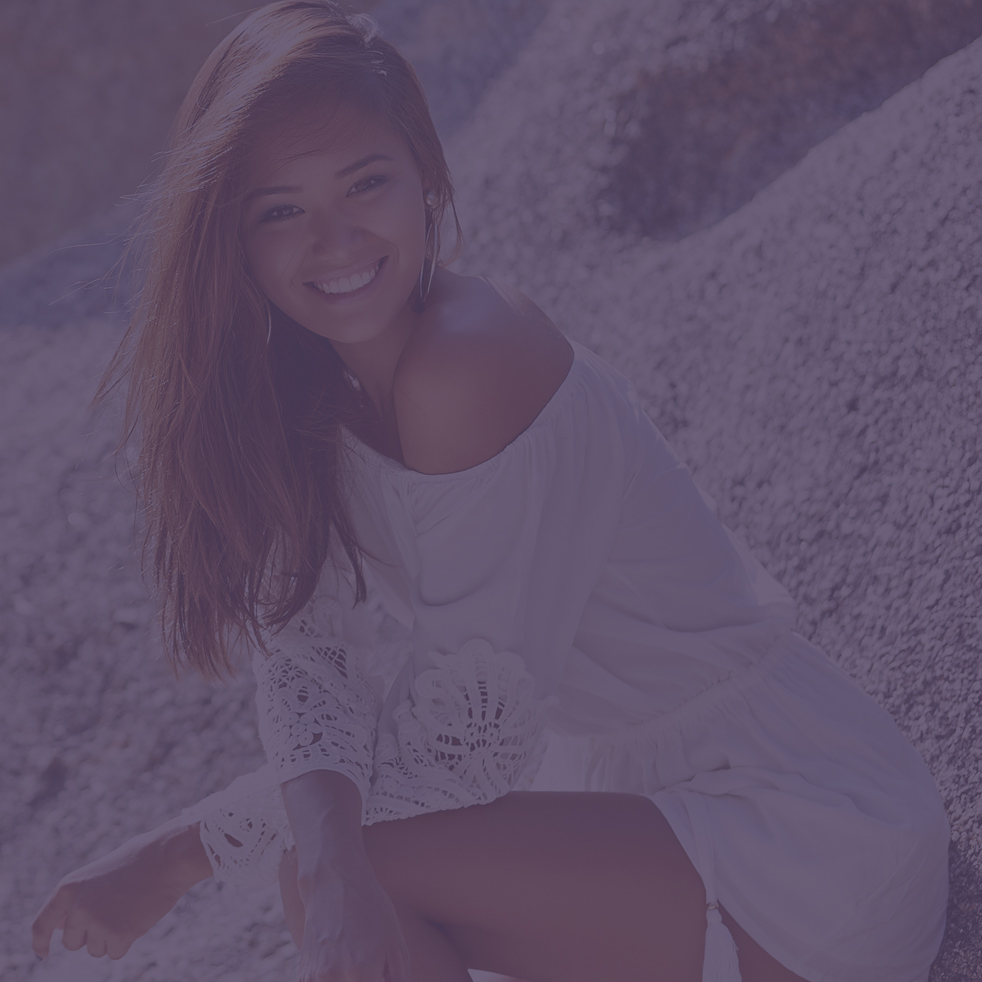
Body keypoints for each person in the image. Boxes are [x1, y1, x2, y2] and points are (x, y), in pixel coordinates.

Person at [31, 3, 950, 981]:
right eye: (282, 209)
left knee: (342, 871)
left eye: (364, 183)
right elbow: (307, 666)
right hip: (631, 818)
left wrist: (184, 854)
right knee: (330, 868)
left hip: (790, 826)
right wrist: (246, 852)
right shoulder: (314, 395)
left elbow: (460, 754)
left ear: (428, 177)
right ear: (234, 237)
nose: (333, 239)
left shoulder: (470, 361)